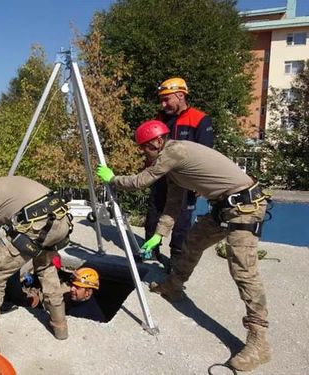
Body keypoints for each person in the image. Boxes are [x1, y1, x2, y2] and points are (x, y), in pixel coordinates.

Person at [96, 120, 271, 372]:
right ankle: (173, 286)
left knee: (244, 270)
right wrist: (158, 235)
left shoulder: (174, 151)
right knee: (192, 242)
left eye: (145, 147)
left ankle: (258, 340)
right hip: (225, 208)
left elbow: (140, 181)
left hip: (244, 207)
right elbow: (172, 206)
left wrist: (113, 179)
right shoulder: (175, 169)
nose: (143, 152)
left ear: (157, 141)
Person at [0, 158, 72, 352]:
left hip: (36, 225)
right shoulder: (6, 182)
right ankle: (60, 325)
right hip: (61, 221)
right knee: (45, 264)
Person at [144, 77, 214, 266]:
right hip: (162, 176)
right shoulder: (160, 119)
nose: (163, 103)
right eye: (161, 99)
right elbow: (151, 147)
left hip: (186, 180)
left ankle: (176, 256)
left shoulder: (199, 119)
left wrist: (201, 182)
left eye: (167, 99)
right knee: (154, 212)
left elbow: (206, 153)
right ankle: (149, 251)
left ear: (181, 95)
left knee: (182, 218)